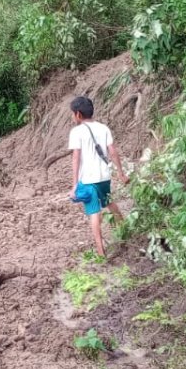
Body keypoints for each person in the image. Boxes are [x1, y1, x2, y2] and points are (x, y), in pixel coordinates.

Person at [68, 96, 129, 257]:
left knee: (94, 212)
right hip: (105, 175)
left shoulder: (77, 132)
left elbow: (76, 158)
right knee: (109, 203)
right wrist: (121, 173)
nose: (72, 117)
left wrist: (74, 184)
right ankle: (125, 233)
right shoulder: (103, 128)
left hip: (88, 179)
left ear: (78, 114)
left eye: (73, 114)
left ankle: (101, 252)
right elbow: (113, 152)